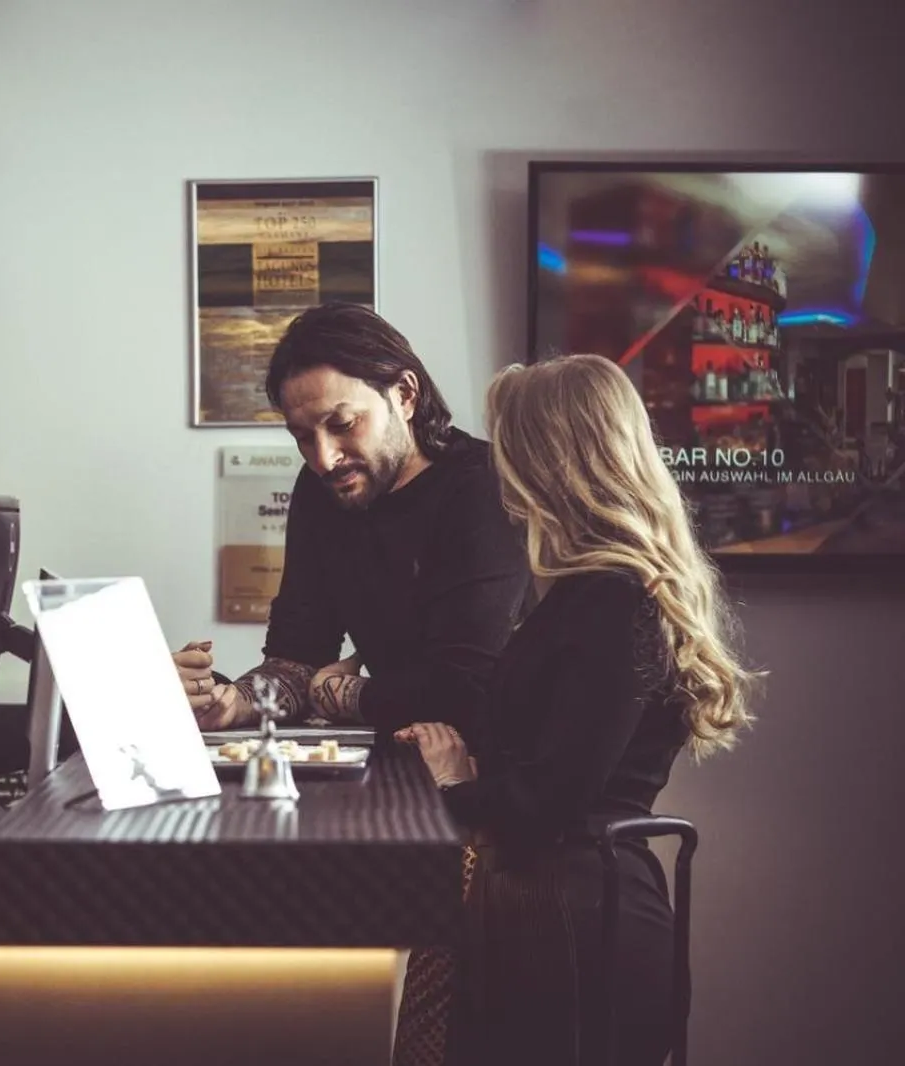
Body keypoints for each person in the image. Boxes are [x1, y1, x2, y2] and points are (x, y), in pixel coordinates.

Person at [396, 354, 758, 1065]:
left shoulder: (611, 600)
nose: (498, 471)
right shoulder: (589, 593)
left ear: (551, 461)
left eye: (509, 448)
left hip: (572, 930)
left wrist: (452, 786)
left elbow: (551, 795)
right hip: (563, 915)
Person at [174, 302, 531, 739]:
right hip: (392, 754)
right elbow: (297, 657)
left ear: (404, 395)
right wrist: (233, 705)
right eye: (303, 437)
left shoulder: (485, 487)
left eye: (342, 424)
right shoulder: (320, 489)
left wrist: (345, 695)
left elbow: (464, 689)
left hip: (489, 768)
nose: (324, 458)